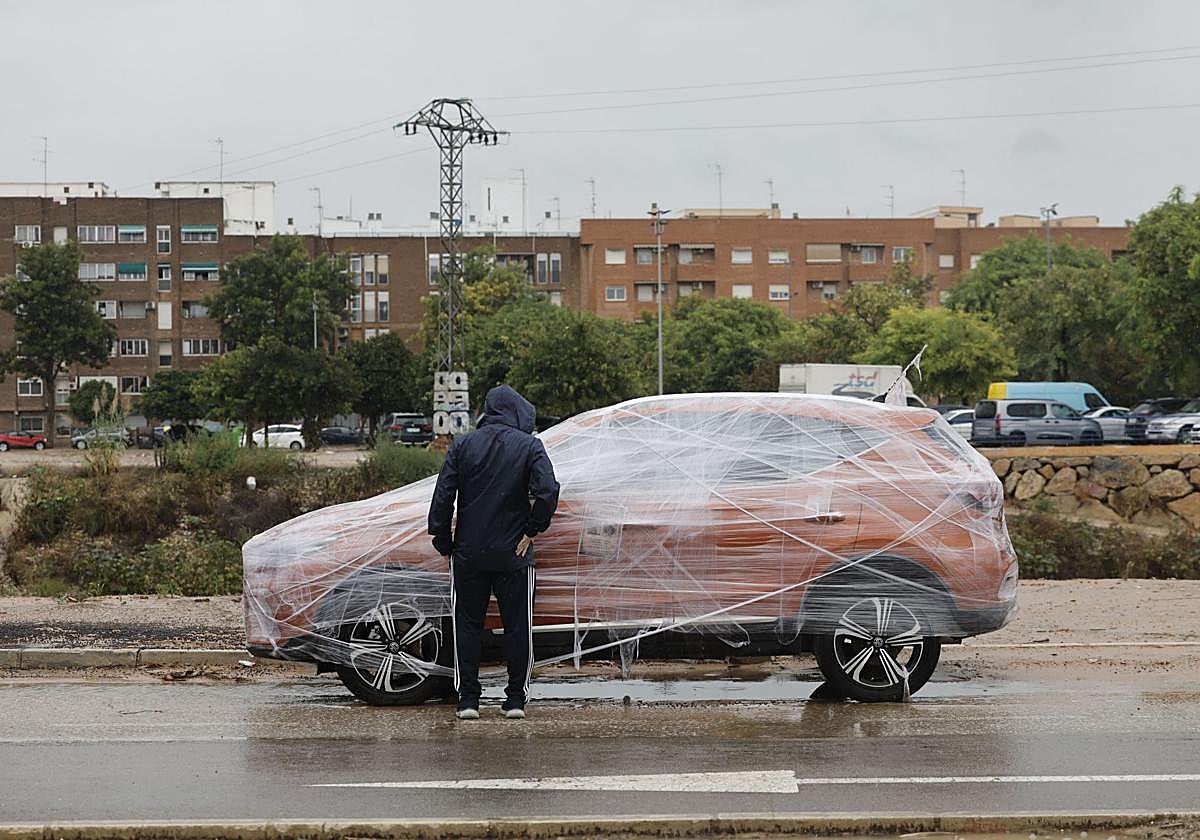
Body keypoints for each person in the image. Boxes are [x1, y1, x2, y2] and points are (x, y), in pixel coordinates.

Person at [427, 385, 560, 720]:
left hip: (469, 553)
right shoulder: (530, 446)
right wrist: (532, 530)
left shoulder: (463, 445)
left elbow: (443, 497)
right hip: (514, 553)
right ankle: (515, 699)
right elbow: (548, 490)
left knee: (467, 626)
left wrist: (443, 541)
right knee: (518, 627)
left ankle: (468, 700)